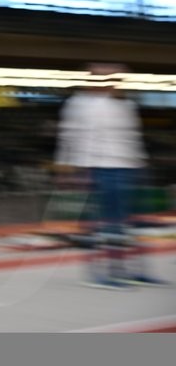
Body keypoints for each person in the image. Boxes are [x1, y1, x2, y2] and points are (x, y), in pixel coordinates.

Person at [55, 62, 166, 289]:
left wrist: (140, 163)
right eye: (107, 79)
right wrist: (65, 167)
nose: (114, 84)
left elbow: (132, 137)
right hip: (97, 167)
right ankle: (103, 272)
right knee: (107, 223)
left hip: (127, 166)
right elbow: (69, 136)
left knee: (130, 224)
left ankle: (135, 271)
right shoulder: (79, 104)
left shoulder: (126, 104)